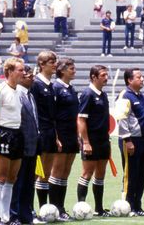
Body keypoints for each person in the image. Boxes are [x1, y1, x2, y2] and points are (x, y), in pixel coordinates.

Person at [0, 58, 25, 223]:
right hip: (4, 133)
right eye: (20, 70)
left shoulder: (20, 91)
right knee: (1, 177)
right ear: (10, 71)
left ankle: (6, 216)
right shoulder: (0, 91)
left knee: (12, 178)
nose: (23, 73)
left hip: (17, 133)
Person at [76, 65, 111, 216]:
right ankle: (80, 208)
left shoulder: (103, 95)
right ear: (93, 77)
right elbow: (81, 120)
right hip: (92, 140)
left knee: (100, 174)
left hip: (104, 140)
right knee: (87, 173)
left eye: (106, 75)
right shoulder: (87, 94)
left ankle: (99, 208)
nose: (106, 78)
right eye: (103, 75)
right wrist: (86, 142)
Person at [116, 67, 144, 215]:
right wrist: (127, 139)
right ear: (129, 80)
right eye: (138, 77)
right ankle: (127, 206)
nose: (142, 79)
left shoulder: (143, 97)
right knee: (130, 174)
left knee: (141, 174)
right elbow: (122, 119)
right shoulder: (125, 95)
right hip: (131, 141)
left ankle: (137, 205)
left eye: (142, 76)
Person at [48, 58, 80, 218]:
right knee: (57, 171)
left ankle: (61, 208)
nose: (74, 71)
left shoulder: (72, 89)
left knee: (65, 172)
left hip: (72, 134)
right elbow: (52, 115)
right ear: (61, 70)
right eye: (71, 68)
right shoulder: (55, 88)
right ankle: (53, 208)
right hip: (61, 133)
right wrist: (56, 136)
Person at [9, 65, 39, 225]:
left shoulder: (30, 95)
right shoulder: (17, 95)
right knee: (17, 183)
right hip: (21, 145)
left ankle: (26, 215)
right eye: (29, 75)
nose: (32, 78)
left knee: (28, 183)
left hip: (32, 146)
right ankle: (13, 215)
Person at [30, 50, 58, 208]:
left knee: (46, 173)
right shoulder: (35, 84)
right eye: (51, 62)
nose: (55, 65)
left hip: (50, 133)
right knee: (35, 172)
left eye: (55, 62)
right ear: (41, 64)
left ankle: (43, 208)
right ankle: (29, 208)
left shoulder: (51, 85)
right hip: (40, 133)